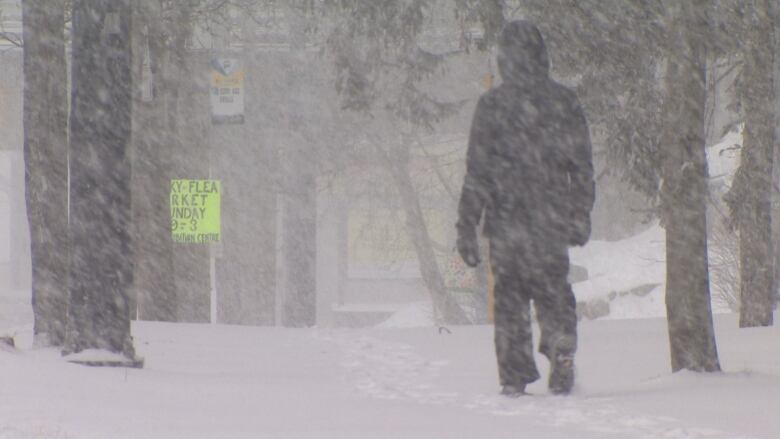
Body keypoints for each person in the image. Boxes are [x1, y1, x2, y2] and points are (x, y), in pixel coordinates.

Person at [456, 20, 595, 396]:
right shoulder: (564, 102)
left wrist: (466, 229)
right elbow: (581, 166)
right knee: (553, 289)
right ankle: (560, 338)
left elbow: (478, 173)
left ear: (505, 59)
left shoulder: (493, 106)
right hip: (551, 220)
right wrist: (580, 213)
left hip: (506, 221)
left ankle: (515, 376)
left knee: (510, 301)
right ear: (542, 56)